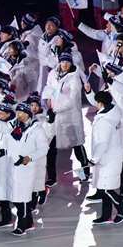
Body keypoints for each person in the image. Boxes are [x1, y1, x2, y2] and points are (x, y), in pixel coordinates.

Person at [0, 103, 48, 236]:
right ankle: (28, 223)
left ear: (28, 114)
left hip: (25, 168)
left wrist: (29, 158)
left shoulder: (37, 130)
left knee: (22, 198)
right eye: (17, 112)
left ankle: (22, 225)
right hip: (12, 167)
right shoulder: (12, 127)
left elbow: (43, 149)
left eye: (21, 112)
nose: (18, 114)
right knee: (15, 197)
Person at [82, 91, 123, 224]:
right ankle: (106, 215)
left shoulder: (104, 122)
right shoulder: (114, 111)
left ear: (101, 103)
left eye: (96, 102)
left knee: (106, 189)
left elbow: (103, 144)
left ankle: (122, 209)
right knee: (104, 188)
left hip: (107, 159)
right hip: (112, 156)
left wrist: (93, 160)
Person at [44, 51, 88, 187]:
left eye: (67, 62)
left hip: (70, 118)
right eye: (62, 61)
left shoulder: (74, 79)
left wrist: (55, 110)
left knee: (77, 147)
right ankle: (52, 178)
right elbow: (49, 87)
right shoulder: (53, 74)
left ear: (71, 63)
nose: (64, 64)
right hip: (55, 118)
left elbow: (71, 101)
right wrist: (48, 101)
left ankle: (85, 173)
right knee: (51, 149)